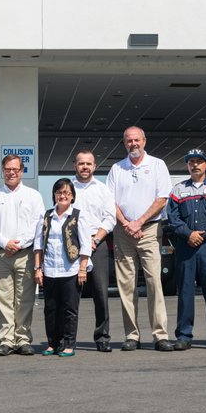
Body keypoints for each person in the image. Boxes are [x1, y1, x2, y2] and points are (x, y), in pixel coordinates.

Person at [105, 126, 175, 352]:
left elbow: (162, 199)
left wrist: (139, 222)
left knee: (154, 282)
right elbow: (110, 202)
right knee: (126, 286)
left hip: (150, 230)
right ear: (124, 143)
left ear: (144, 141)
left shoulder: (157, 165)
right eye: (129, 141)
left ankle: (160, 335)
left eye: (136, 140)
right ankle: (131, 335)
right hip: (123, 232)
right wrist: (127, 224)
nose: (133, 144)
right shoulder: (117, 168)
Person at [0, 154, 45, 356]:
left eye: (15, 169)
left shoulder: (33, 196)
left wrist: (18, 244)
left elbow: (37, 224)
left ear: (22, 171)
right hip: (1, 255)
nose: (11, 173)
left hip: (25, 254)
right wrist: (4, 243)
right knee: (4, 299)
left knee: (25, 298)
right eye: (8, 169)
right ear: (3, 171)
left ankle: (23, 339)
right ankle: (6, 340)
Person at [167, 149, 206, 350]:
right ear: (187, 165)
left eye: (199, 161)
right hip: (185, 246)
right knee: (185, 291)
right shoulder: (178, 190)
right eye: (191, 162)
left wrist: (200, 235)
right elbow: (173, 218)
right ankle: (184, 336)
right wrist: (188, 234)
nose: (195, 165)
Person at [34, 178, 92, 357]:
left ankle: (68, 344)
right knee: (50, 309)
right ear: (54, 195)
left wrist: (83, 268)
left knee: (69, 309)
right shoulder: (46, 216)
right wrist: (38, 268)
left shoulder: (78, 215)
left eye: (67, 193)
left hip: (71, 270)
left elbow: (85, 244)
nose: (63, 196)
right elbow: (38, 244)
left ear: (72, 196)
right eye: (59, 192)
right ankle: (53, 343)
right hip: (50, 269)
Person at [71, 150, 117, 352]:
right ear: (75, 165)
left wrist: (95, 239)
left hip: (97, 244)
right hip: (72, 245)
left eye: (88, 164)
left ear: (94, 166)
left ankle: (102, 337)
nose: (85, 167)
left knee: (100, 293)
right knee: (71, 294)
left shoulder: (103, 189)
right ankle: (68, 338)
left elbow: (110, 218)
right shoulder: (67, 187)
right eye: (81, 163)